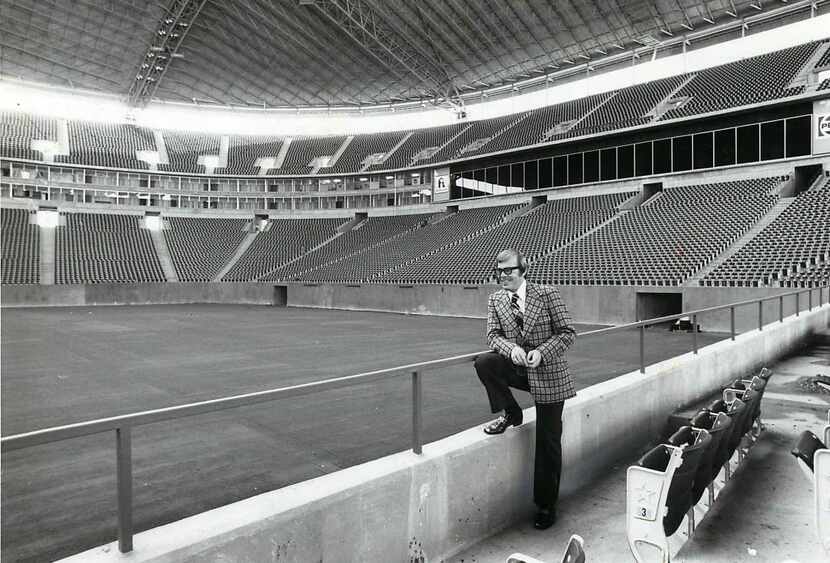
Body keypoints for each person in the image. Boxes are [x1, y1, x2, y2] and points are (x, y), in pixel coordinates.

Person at [474, 248, 576, 530]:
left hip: (549, 374)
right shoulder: (496, 299)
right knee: (484, 363)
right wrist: (512, 349)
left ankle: (546, 506)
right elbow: (492, 336)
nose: (503, 275)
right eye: (499, 270)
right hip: (519, 369)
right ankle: (512, 412)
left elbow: (567, 332)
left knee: (548, 442)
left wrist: (542, 352)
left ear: (524, 269)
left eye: (509, 270)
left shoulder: (547, 294)